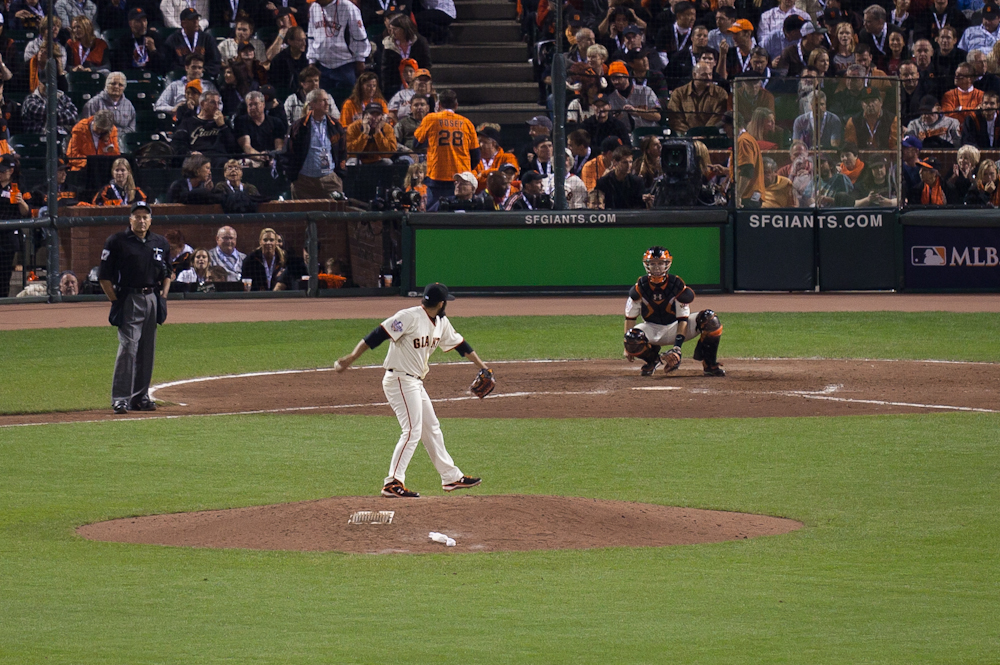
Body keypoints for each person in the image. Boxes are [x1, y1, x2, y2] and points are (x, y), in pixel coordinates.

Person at [333, 282, 488, 498]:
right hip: (398, 380)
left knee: (431, 427)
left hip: (415, 382)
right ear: (442, 303)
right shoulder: (409, 317)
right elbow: (378, 334)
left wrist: (483, 367)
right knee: (412, 430)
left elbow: (462, 346)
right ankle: (392, 482)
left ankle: (450, 477)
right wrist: (351, 357)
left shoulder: (441, 323)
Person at [98, 201, 172, 415]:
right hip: (128, 296)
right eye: (137, 216)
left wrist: (163, 297)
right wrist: (116, 301)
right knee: (128, 348)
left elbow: (167, 272)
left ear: (150, 220)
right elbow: (104, 277)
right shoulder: (117, 242)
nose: (141, 220)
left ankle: (140, 397)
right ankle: (120, 398)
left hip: (152, 297)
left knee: (147, 351)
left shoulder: (160, 242)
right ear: (130, 219)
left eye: (145, 217)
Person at [623, 246, 725, 377]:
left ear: (667, 264)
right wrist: (627, 347)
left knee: (710, 319)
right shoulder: (639, 288)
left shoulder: (676, 285)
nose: (657, 267)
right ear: (646, 265)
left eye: (660, 263)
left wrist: (677, 348)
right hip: (651, 328)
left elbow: (683, 319)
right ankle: (652, 360)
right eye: (653, 264)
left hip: (675, 326)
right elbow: (630, 318)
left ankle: (709, 365)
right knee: (631, 337)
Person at [414, 88, 480, 209]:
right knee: (460, 212)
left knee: (434, 215)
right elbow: (476, 155)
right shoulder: (467, 123)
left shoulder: (431, 119)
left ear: (439, 105)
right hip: (461, 177)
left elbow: (416, 144)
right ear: (456, 105)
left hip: (437, 175)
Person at [285, 88, 347, 199]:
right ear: (312, 104)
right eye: (323, 100)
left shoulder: (335, 125)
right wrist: (293, 176)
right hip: (304, 182)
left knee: (335, 215)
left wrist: (340, 174)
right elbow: (290, 151)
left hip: (330, 180)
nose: (327, 103)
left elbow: (342, 150)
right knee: (302, 215)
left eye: (327, 100)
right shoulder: (299, 127)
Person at [307, 0, 371, 89]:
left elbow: (359, 34)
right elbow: (311, 36)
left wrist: (360, 59)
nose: (315, 1)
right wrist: (312, 61)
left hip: (345, 65)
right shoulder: (314, 7)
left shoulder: (347, 6)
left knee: (346, 100)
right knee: (325, 101)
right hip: (322, 66)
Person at [171, 90, 239, 160]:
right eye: (212, 102)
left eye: (218, 103)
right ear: (202, 104)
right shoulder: (188, 122)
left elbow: (233, 147)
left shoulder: (224, 123)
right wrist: (190, 153)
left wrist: (222, 126)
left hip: (220, 158)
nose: (217, 107)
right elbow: (177, 144)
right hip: (197, 159)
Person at [665, 62, 728, 134]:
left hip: (711, 138)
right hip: (686, 138)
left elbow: (718, 117)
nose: (708, 78)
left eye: (710, 74)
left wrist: (704, 133)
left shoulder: (720, 93)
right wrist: (690, 134)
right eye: (704, 74)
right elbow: (675, 119)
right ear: (694, 75)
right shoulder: (678, 93)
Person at [164, 7, 222, 76]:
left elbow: (215, 62)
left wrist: (202, 70)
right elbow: (168, 64)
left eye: (197, 19)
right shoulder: (173, 40)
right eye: (192, 19)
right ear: (183, 24)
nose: (196, 22)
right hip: (180, 78)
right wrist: (187, 71)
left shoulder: (207, 39)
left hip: (204, 78)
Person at [235, 91, 287, 165]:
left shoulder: (276, 122)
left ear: (263, 104)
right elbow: (246, 146)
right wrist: (260, 156)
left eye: (256, 104)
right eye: (250, 105)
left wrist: (270, 155)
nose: (252, 107)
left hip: (271, 157)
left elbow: (279, 147)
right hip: (251, 158)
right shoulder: (241, 122)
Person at [153, 54, 218, 114]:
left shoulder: (209, 86)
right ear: (186, 68)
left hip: (203, 120)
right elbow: (157, 106)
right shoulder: (175, 86)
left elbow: (219, 105)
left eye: (199, 68)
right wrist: (174, 109)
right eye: (194, 67)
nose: (197, 70)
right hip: (179, 121)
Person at [82, 72, 136, 143]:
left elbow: (131, 128)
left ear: (124, 88)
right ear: (106, 85)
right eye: (113, 83)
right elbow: (86, 127)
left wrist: (117, 135)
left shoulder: (128, 105)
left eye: (120, 85)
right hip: (99, 142)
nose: (116, 87)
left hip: (122, 143)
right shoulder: (93, 103)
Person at [112, 7, 167, 73]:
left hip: (152, 76)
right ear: (130, 24)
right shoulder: (124, 41)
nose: (143, 25)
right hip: (132, 77)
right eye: (138, 21)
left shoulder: (154, 37)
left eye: (144, 20)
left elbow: (163, 66)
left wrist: (153, 50)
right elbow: (122, 66)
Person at [268, 26, 309, 91]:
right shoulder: (278, 60)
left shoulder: (309, 58)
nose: (304, 43)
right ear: (290, 41)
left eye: (305, 39)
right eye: (300, 40)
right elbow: (275, 85)